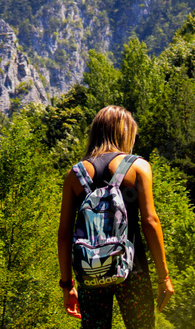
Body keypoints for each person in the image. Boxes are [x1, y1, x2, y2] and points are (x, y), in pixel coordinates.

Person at [57, 105, 175, 328]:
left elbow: (64, 234)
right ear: (125, 133)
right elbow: (150, 222)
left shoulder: (74, 175)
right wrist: (164, 276)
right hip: (133, 269)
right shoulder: (138, 167)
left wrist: (67, 285)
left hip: (90, 273)